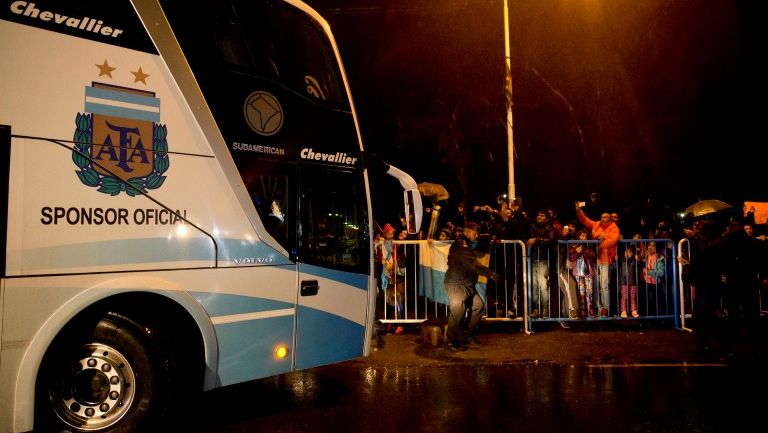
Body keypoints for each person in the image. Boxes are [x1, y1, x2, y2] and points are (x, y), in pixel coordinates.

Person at [443, 221, 499, 350]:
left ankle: (465, 335)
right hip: (457, 283)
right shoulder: (460, 245)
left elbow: (483, 238)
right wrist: (490, 274)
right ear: (467, 232)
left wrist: (491, 237)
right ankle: (451, 340)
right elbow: (473, 264)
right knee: (458, 311)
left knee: (478, 306)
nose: (477, 235)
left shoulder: (466, 243)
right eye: (475, 233)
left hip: (466, 283)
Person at [576, 203, 620, 317]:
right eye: (601, 217)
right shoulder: (596, 224)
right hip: (593, 258)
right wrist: (579, 211)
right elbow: (586, 221)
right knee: (595, 283)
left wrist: (600, 243)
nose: (602, 219)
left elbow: (613, 240)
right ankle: (596, 307)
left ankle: (605, 307)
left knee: (604, 284)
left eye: (605, 217)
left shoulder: (613, 227)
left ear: (610, 219)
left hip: (605, 258)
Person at [527, 210, 558, 318]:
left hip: (544, 259)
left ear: (546, 218)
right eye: (538, 214)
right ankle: (536, 309)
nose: (539, 216)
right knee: (535, 286)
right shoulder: (533, 226)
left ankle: (545, 309)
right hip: (534, 259)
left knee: (544, 286)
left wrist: (537, 240)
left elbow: (552, 240)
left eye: (542, 215)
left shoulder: (550, 228)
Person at [569, 229, 596, 318]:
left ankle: (590, 308)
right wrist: (577, 251)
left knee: (589, 290)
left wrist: (583, 250)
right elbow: (571, 258)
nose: (583, 238)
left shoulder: (589, 246)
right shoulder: (574, 246)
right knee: (581, 291)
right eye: (582, 236)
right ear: (578, 237)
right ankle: (583, 309)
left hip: (588, 271)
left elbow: (592, 255)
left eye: (585, 236)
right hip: (578, 272)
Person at [618, 245, 640, 318]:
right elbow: (616, 267)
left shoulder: (634, 261)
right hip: (623, 282)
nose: (627, 253)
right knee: (624, 297)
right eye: (626, 251)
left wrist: (638, 260)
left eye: (630, 252)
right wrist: (615, 260)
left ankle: (633, 310)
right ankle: (623, 311)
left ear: (633, 253)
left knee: (632, 297)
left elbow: (638, 266)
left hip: (633, 282)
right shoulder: (622, 260)